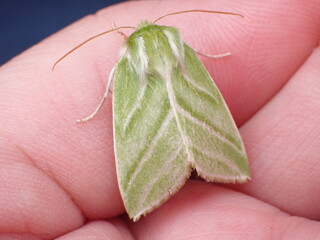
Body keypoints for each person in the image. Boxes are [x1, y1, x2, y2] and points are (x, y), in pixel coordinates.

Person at [0, 1, 319, 239]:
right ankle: (223, 162)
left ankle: (151, 185)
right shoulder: (177, 50)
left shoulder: (124, 63)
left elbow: (110, 83)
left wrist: (100, 106)